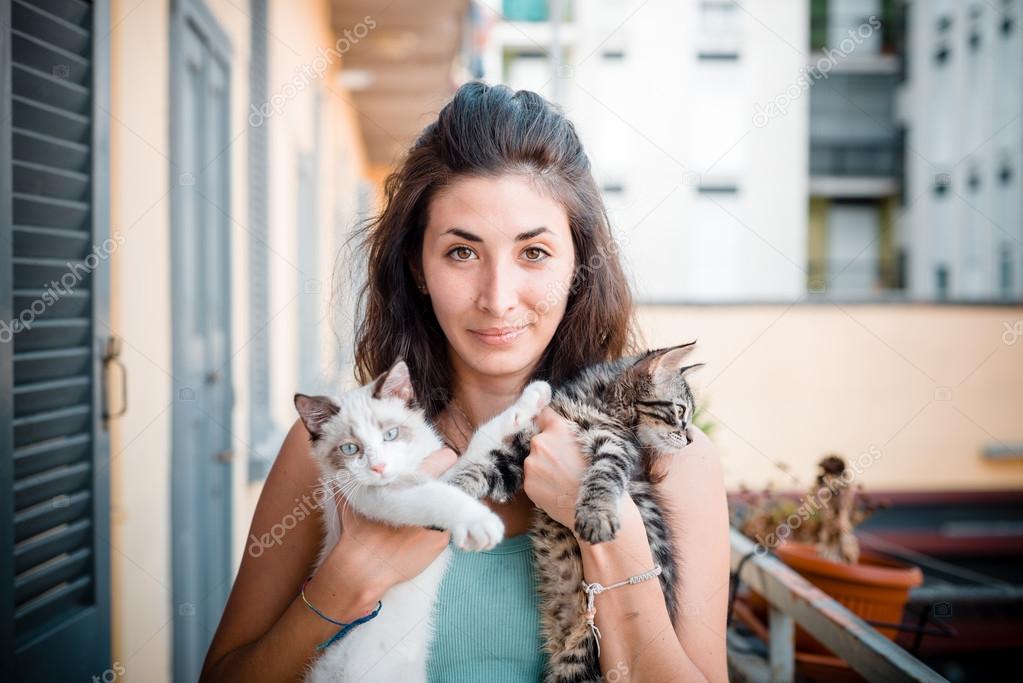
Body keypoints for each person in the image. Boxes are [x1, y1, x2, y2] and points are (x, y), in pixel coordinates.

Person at [200, 81, 729, 682]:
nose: (498, 299)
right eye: (461, 253)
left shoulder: (673, 464)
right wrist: (342, 585)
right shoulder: (328, 454)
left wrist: (610, 526)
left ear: (579, 267)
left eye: (534, 254)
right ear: (417, 268)